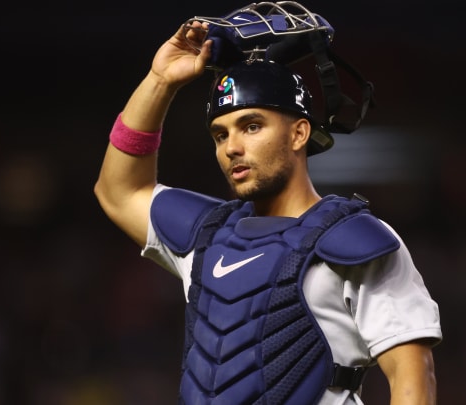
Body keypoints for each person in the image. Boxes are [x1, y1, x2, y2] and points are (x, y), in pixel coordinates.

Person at [94, 14, 442, 405]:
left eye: (252, 125)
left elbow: (413, 379)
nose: (232, 147)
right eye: (220, 134)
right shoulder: (206, 237)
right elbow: (118, 190)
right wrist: (160, 81)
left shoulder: (353, 241)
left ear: (299, 133)